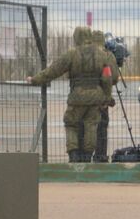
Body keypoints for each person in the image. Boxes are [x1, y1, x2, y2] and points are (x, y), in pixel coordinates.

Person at [28, 26, 115, 162]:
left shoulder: (72, 53)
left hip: (77, 97)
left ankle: (73, 154)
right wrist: (107, 98)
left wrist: (35, 80)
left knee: (71, 124)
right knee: (91, 125)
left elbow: (54, 70)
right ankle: (87, 157)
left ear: (77, 37)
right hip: (95, 98)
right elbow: (107, 78)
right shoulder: (102, 54)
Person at [91, 30, 121, 162]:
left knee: (84, 127)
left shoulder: (81, 54)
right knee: (101, 128)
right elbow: (114, 78)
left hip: (83, 98)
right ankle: (100, 157)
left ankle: (82, 157)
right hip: (102, 97)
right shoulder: (108, 55)